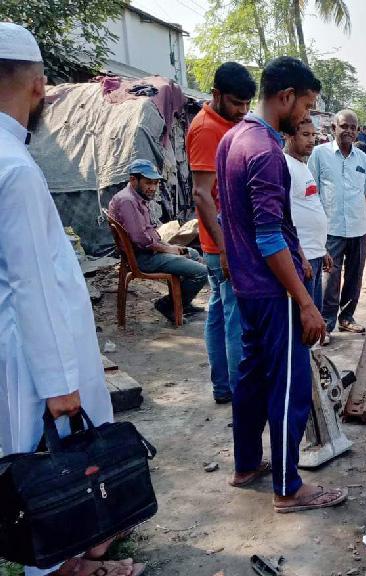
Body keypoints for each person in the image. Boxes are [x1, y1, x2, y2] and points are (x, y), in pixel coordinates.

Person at [0, 22, 144, 576]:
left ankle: (74, 563)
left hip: (21, 344)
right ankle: (65, 566)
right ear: (38, 86)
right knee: (54, 470)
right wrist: (61, 382)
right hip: (39, 355)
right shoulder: (14, 169)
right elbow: (30, 282)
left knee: (34, 462)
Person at [216, 56, 346, 513]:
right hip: (273, 292)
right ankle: (289, 487)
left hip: (248, 288)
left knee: (250, 377)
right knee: (288, 387)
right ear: (286, 97)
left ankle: (246, 464)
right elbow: (268, 236)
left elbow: (230, 216)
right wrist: (305, 302)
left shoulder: (232, 139)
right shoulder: (268, 152)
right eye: (306, 105)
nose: (307, 116)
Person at [187, 61, 256, 404]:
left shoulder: (227, 123)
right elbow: (201, 193)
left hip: (223, 239)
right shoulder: (205, 129)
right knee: (234, 315)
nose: (242, 111)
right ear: (216, 95)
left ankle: (223, 387)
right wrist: (226, 247)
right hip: (222, 241)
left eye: (246, 105)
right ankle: (239, 390)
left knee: (219, 309)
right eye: (235, 103)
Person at [308, 110, 366, 338]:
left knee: (355, 276)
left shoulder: (363, 158)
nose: (348, 130)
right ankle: (326, 325)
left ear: (357, 131)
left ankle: (347, 317)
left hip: (359, 227)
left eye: (353, 127)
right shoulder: (319, 155)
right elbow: (311, 191)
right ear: (334, 129)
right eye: (344, 126)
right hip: (331, 229)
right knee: (330, 277)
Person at [109, 158, 209, 322]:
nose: (153, 188)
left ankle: (183, 303)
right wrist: (169, 249)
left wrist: (169, 246)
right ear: (133, 179)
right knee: (201, 272)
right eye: (148, 182)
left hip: (148, 252)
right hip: (143, 258)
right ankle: (167, 305)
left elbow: (147, 234)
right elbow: (142, 241)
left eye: (155, 183)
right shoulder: (127, 201)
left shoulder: (135, 197)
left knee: (191, 253)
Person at [285, 116, 331, 314]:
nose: (311, 140)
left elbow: (309, 208)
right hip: (302, 258)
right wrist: (300, 256)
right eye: (305, 135)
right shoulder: (285, 166)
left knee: (314, 315)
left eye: (313, 135)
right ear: (288, 136)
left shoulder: (302, 165)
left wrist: (323, 249)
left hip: (315, 254)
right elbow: (283, 220)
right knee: (302, 320)